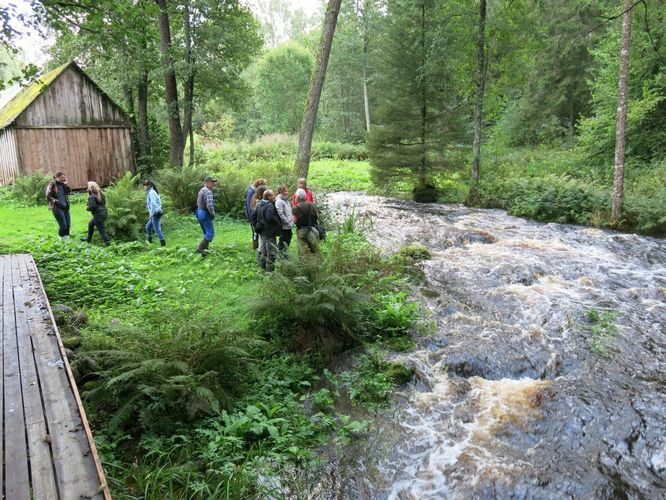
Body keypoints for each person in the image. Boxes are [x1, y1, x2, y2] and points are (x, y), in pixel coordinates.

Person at [256, 189, 281, 271]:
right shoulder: (269, 205)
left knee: (263, 251)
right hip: (270, 232)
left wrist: (257, 224)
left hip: (262, 231)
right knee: (271, 252)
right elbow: (269, 216)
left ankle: (262, 268)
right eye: (273, 195)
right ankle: (270, 272)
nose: (274, 197)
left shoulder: (259, 204)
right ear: (268, 196)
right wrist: (278, 222)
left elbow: (253, 216)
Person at [81, 181, 110, 245]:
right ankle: (88, 239)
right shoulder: (101, 194)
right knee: (90, 224)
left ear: (89, 188)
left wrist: (87, 208)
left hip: (98, 215)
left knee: (102, 230)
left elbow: (93, 206)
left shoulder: (91, 196)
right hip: (104, 213)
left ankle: (107, 243)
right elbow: (104, 203)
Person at [45, 171, 72, 241]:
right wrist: (55, 201)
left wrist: (67, 185)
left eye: (64, 177)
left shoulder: (63, 184)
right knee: (63, 226)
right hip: (57, 208)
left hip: (66, 207)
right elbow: (47, 196)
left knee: (68, 225)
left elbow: (69, 192)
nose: (63, 179)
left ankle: (67, 241)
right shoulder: (52, 185)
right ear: (56, 177)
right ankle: (60, 239)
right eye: (61, 177)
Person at [292, 188, 319, 254]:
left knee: (304, 252)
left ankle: (306, 264)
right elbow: (316, 216)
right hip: (312, 230)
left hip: (302, 232)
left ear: (298, 197)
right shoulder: (311, 205)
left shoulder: (295, 208)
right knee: (315, 251)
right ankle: (317, 263)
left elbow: (294, 221)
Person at [195, 176, 217, 255]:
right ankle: (200, 248)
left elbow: (198, 203)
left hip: (199, 212)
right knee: (210, 233)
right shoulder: (208, 191)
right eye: (212, 182)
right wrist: (213, 214)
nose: (213, 184)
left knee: (206, 232)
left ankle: (205, 249)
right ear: (207, 183)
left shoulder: (201, 190)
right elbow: (210, 206)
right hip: (205, 213)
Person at [245, 178, 267, 250]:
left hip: (256, 216)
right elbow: (249, 206)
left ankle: (258, 246)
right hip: (253, 216)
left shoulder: (254, 192)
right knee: (255, 232)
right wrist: (252, 218)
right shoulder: (251, 192)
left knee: (257, 231)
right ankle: (255, 246)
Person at [144, 180, 165, 247]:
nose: (144, 187)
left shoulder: (151, 193)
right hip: (155, 212)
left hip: (156, 213)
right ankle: (149, 242)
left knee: (157, 229)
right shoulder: (150, 192)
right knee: (148, 227)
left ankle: (163, 245)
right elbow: (152, 203)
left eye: (145, 185)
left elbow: (153, 204)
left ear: (149, 186)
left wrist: (151, 214)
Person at [275, 184, 293, 256]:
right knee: (283, 242)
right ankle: (282, 256)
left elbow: (289, 212)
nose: (287, 192)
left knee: (287, 240)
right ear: (280, 191)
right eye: (285, 190)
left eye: (286, 190)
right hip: (284, 226)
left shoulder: (286, 200)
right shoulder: (279, 201)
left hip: (289, 225)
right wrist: (287, 222)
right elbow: (281, 214)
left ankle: (284, 255)